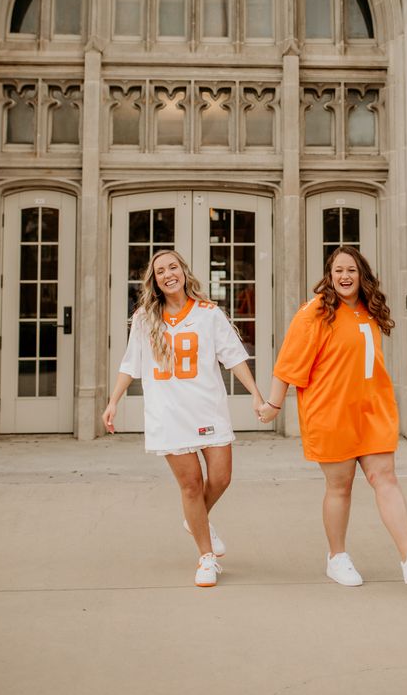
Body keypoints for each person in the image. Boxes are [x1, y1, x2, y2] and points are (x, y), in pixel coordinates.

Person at [258, 245, 407, 586]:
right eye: (338, 271)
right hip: (330, 413)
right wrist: (273, 405)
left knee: (385, 478)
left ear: (362, 276)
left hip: (372, 411)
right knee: (340, 487)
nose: (345, 277)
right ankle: (337, 557)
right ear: (329, 276)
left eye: (352, 271)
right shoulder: (314, 312)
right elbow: (287, 364)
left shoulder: (367, 309)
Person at [103, 248, 263, 588]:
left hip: (208, 409)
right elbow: (130, 364)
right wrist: (113, 402)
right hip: (168, 414)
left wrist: (256, 395)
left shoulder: (209, 313)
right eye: (160, 271)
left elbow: (233, 357)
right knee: (190, 486)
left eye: (172, 267)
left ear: (184, 271)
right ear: (155, 281)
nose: (167, 274)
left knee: (220, 478)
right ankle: (206, 557)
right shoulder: (145, 319)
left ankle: (196, 520)